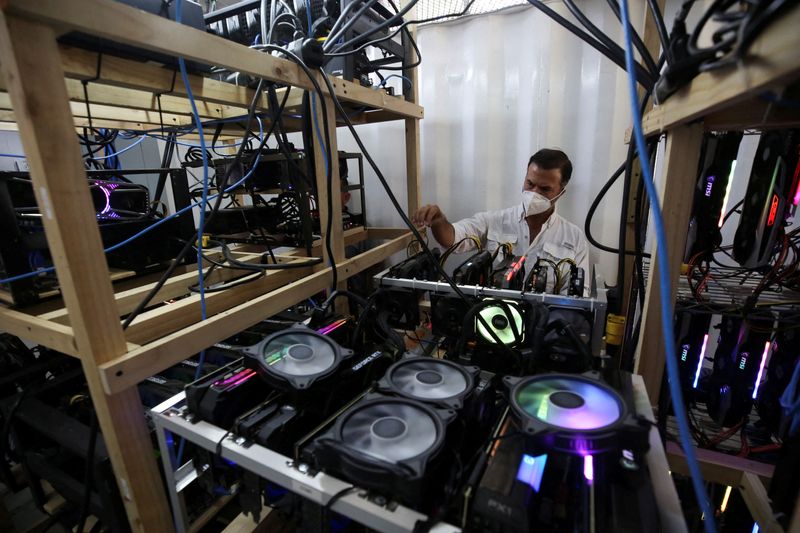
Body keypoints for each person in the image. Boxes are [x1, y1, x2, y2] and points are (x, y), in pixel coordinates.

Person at [412, 149, 590, 296]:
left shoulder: (574, 238)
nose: (534, 193)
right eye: (530, 184)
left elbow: (577, 297)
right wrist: (439, 222)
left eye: (544, 189)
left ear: (561, 192)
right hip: (491, 320)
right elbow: (453, 239)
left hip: (540, 327)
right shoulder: (495, 221)